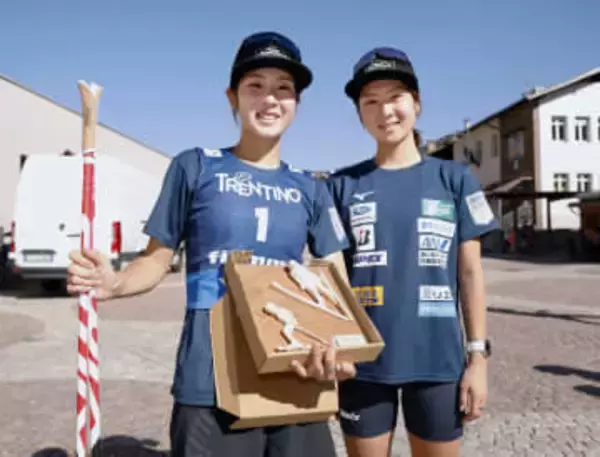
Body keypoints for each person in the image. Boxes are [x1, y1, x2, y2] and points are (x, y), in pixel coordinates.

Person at [66, 31, 356, 457]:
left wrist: (342, 347)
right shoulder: (195, 166)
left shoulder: (311, 187)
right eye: (255, 85)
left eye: (283, 88)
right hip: (210, 379)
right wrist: (115, 283)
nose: (270, 99)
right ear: (232, 97)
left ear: (297, 103)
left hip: (295, 371)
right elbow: (156, 260)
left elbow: (335, 279)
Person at [326, 47, 499, 457]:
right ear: (359, 114)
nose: (385, 111)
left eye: (395, 97)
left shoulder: (455, 179)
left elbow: (470, 275)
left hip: (438, 363)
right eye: (371, 101)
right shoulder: (339, 186)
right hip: (362, 366)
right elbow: (330, 280)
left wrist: (478, 359)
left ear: (416, 103)